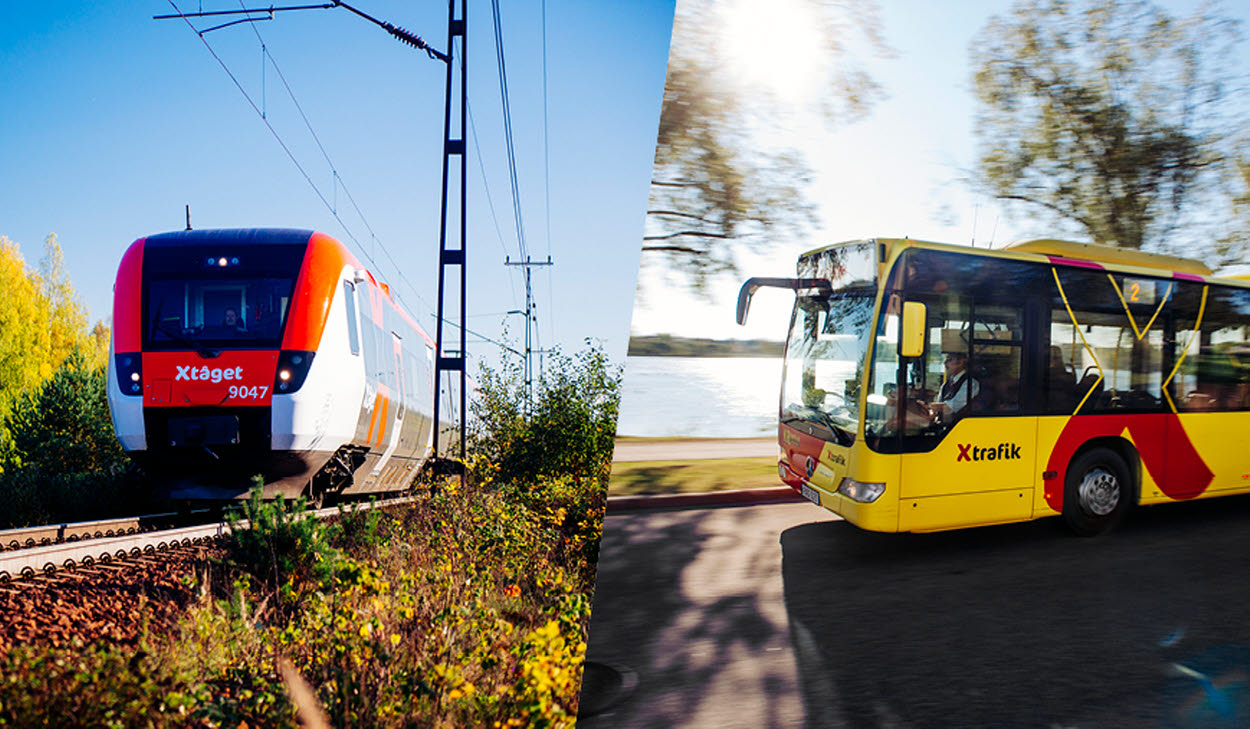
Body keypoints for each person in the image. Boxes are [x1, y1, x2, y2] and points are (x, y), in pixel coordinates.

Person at [929, 350, 979, 424]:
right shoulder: (946, 384)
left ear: (960, 362)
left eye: (949, 360)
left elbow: (950, 407)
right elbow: (937, 409)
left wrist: (928, 405)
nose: (945, 363)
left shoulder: (970, 384)